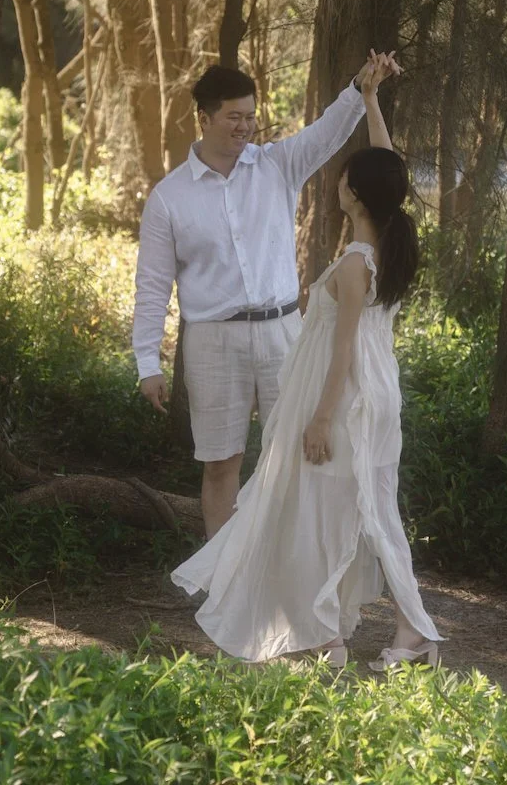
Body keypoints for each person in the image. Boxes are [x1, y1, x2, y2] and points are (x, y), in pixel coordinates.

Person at [171, 56, 442, 670]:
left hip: (348, 396)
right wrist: (369, 100)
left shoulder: (354, 263)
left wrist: (320, 420)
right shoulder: (388, 241)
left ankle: (360, 630)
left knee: (347, 509)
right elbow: (387, 167)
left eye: (346, 177)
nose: (338, 181)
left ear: (354, 192)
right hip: (376, 389)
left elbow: (341, 348)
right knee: (371, 508)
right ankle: (388, 629)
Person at [133, 55, 387, 536]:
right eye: (234, 116)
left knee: (296, 456)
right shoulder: (169, 197)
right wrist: (148, 363)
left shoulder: (276, 165)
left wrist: (359, 87)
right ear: (204, 118)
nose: (246, 126)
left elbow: (327, 132)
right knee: (221, 463)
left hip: (284, 334)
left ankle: (284, 587)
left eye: (251, 115)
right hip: (212, 340)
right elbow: (151, 285)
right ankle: (221, 588)